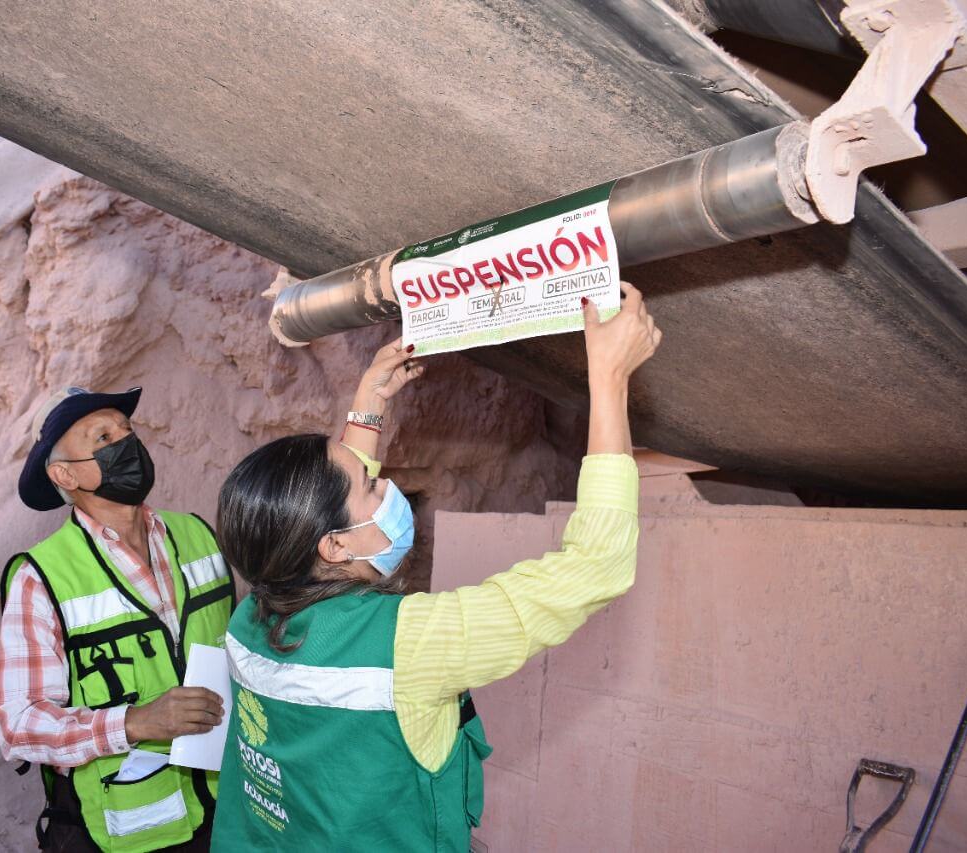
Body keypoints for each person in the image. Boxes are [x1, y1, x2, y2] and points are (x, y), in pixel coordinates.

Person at [210, 283, 660, 851]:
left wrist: (369, 401)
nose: (387, 486)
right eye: (373, 486)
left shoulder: (252, 616)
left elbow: (328, 504)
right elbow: (598, 566)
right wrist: (610, 378)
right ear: (334, 548)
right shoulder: (411, 645)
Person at [0, 386, 233, 852]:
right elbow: (18, 723)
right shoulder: (41, 577)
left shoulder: (198, 534)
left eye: (127, 431)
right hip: (123, 835)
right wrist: (133, 723)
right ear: (65, 473)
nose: (126, 443)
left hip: (228, 815)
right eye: (102, 436)